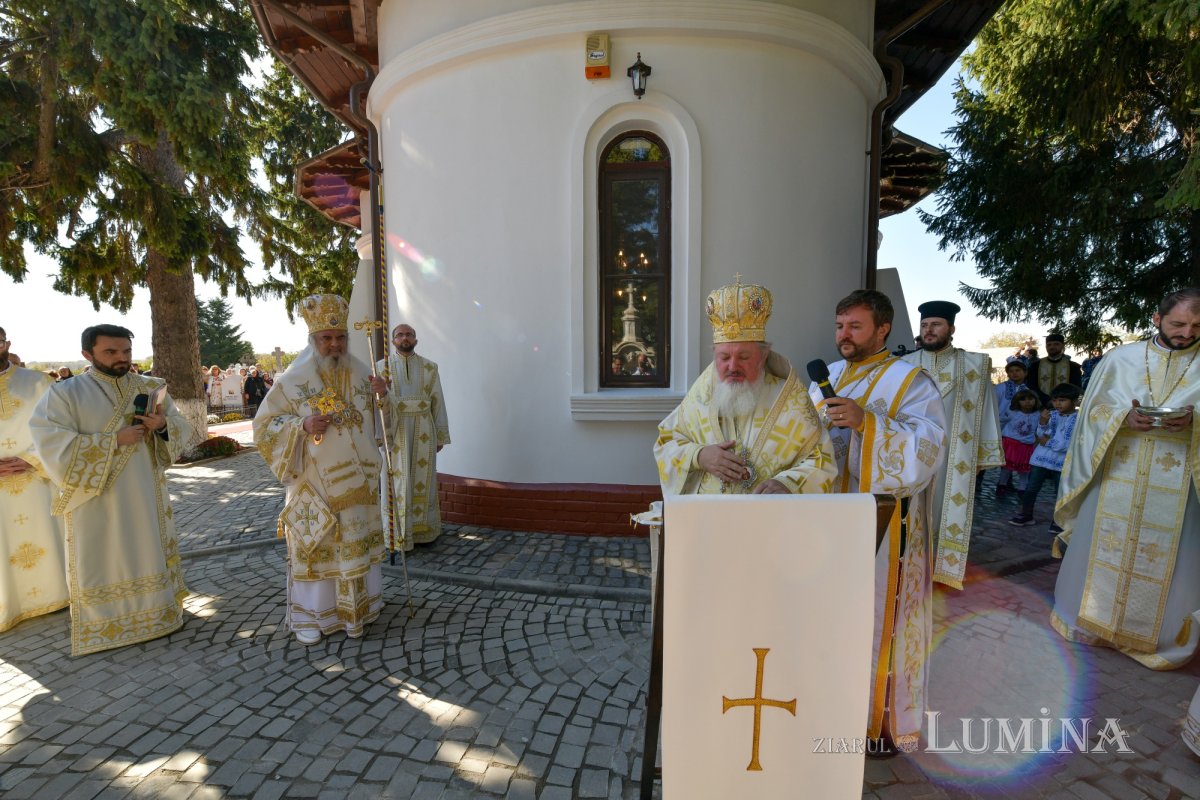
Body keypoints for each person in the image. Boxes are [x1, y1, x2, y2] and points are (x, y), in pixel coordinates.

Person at [807, 289, 946, 754]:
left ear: (883, 329)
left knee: (877, 621)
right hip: (827, 523)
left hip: (886, 528)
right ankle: (825, 706)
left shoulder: (911, 382)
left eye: (855, 326)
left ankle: (879, 723)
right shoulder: (825, 377)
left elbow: (928, 448)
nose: (843, 335)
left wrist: (869, 424)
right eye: (839, 326)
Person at [1052, 288, 1200, 670]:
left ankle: (1157, 637)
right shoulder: (1122, 358)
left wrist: (1194, 420)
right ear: (1157, 319)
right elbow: (1093, 411)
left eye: (1196, 326)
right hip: (1119, 473)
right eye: (1178, 323)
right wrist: (1122, 417)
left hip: (1179, 483)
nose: (1186, 333)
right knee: (1103, 545)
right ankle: (1093, 625)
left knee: (1170, 558)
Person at [30, 324, 191, 655]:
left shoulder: (151, 386)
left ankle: (159, 613)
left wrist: (162, 426)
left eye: (126, 351)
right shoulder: (65, 393)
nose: (122, 358)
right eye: (111, 352)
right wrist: (113, 440)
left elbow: (180, 426)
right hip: (96, 499)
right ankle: (106, 624)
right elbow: (49, 442)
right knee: (102, 554)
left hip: (146, 492)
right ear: (87, 354)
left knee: (148, 545)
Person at [254, 294, 385, 644]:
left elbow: (385, 426)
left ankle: (358, 612)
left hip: (360, 481)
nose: (334, 344)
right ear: (313, 339)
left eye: (340, 337)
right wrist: (301, 425)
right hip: (315, 482)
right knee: (316, 547)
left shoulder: (363, 372)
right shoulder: (292, 379)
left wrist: (384, 397)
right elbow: (264, 426)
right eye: (327, 337)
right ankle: (311, 617)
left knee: (354, 543)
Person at [655, 276, 836, 496]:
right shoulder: (700, 395)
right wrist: (699, 456)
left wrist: (789, 484)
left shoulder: (790, 398)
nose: (733, 366)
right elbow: (666, 442)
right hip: (708, 514)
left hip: (769, 514)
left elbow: (821, 459)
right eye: (724, 357)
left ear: (764, 355)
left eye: (744, 357)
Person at [901, 301, 1003, 588]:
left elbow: (988, 408)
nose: (929, 330)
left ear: (951, 329)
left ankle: (939, 570)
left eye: (936, 325)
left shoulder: (974, 365)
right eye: (924, 325)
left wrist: (982, 456)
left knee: (945, 508)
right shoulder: (904, 365)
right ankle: (908, 567)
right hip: (913, 452)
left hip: (956, 453)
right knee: (911, 510)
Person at [0, 327, 69, 633]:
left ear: (7, 344)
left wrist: (30, 458)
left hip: (36, 479)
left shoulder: (39, 382)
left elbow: (61, 427)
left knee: (45, 533)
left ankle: (57, 595)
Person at [368, 323, 452, 550]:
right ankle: (397, 534)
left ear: (416, 339)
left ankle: (423, 531)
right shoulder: (380, 368)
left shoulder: (430, 367)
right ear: (393, 340)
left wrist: (440, 435)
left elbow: (438, 400)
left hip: (424, 430)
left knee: (422, 480)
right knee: (397, 481)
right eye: (400, 335)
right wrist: (378, 435)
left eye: (409, 335)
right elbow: (375, 406)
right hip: (395, 432)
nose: (405, 338)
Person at [1010, 383, 1081, 529]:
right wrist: (1042, 423)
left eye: (1062, 400)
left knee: (1060, 491)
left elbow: (1068, 443)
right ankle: (1026, 514)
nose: (1057, 404)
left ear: (1074, 401)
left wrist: (1048, 442)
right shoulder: (1050, 415)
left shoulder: (1079, 419)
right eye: (1055, 400)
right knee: (1031, 488)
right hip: (1041, 459)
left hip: (1062, 461)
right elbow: (1040, 434)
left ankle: (1059, 520)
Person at [995, 388, 1041, 499]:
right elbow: (1000, 421)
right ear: (1017, 401)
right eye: (1023, 399)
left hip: (1026, 446)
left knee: (1025, 470)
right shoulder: (1012, 413)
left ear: (1035, 400)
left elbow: (1039, 429)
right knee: (1007, 468)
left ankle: (1022, 489)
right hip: (1011, 444)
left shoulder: (1038, 415)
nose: (1027, 402)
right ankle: (1002, 485)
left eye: (1030, 399)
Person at [1027, 333, 1083, 404]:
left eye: (1056, 344)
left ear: (1062, 346)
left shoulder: (1073, 366)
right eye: (1049, 345)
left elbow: (1076, 388)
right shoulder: (1035, 366)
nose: (1052, 347)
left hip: (1065, 405)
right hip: (1040, 404)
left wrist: (1061, 400)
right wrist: (1045, 400)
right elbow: (1031, 386)